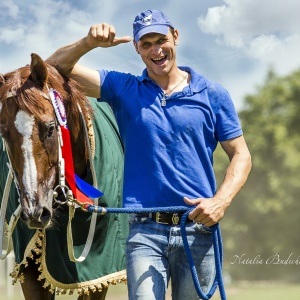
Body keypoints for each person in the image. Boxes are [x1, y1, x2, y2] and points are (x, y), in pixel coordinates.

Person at [47, 9, 252, 300]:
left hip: (197, 229)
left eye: (161, 39)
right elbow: (51, 67)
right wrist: (87, 44)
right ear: (137, 49)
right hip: (144, 233)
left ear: (175, 37)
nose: (156, 50)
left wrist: (221, 201)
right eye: (146, 44)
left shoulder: (213, 94)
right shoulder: (123, 88)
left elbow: (241, 155)